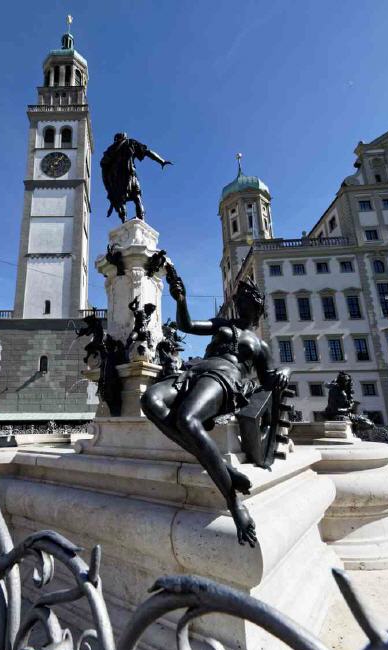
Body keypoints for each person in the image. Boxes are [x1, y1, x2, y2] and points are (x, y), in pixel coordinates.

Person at [141, 273, 289, 547]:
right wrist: (181, 299)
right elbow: (186, 324)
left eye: (247, 300)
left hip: (222, 378)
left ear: (257, 308)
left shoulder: (260, 345)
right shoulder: (222, 324)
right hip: (194, 370)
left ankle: (233, 502)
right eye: (239, 299)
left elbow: (268, 381)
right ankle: (221, 466)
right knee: (149, 400)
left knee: (187, 419)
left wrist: (286, 371)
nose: (241, 303)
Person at [99, 132, 172, 223]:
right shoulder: (130, 143)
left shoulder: (110, 151)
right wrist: (162, 161)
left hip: (120, 180)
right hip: (132, 176)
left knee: (121, 200)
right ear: (124, 137)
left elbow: (104, 169)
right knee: (137, 197)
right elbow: (147, 152)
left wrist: (108, 188)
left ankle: (125, 221)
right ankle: (141, 219)